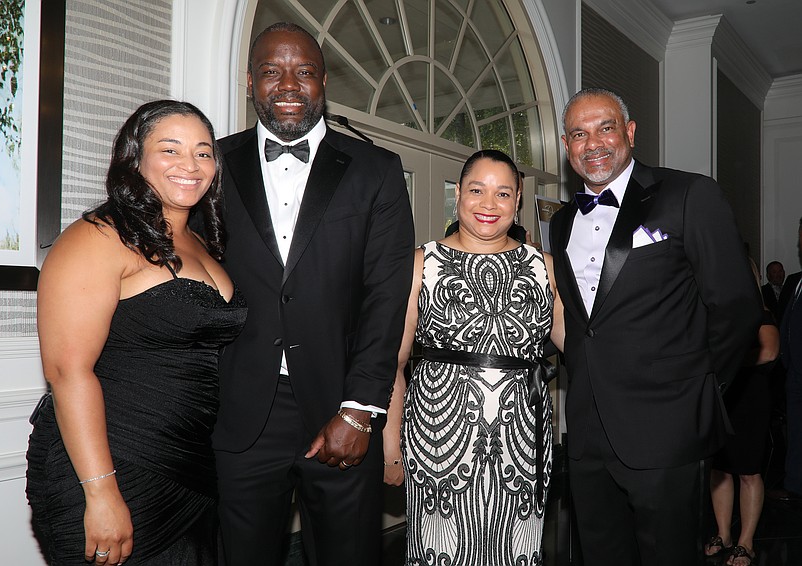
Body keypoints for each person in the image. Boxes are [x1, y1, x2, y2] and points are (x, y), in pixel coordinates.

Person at [211, 22, 414, 566]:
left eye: (303, 71)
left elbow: (386, 298)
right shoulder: (210, 168)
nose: (288, 84)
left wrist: (359, 410)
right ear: (250, 81)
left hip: (340, 405)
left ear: (323, 81)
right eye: (271, 71)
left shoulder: (377, 170)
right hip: (241, 411)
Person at [26, 100, 247, 565]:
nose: (190, 165)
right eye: (171, 149)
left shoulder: (202, 241)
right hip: (112, 461)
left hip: (189, 463)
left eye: (204, 152)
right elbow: (68, 371)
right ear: (135, 159)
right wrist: (101, 492)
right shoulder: (99, 236)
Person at [548, 88, 762, 566]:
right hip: (586, 430)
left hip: (667, 427)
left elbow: (736, 306)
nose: (593, 143)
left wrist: (699, 389)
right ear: (566, 146)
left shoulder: (689, 193)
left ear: (630, 132)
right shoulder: (561, 223)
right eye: (579, 134)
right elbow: (584, 323)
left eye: (605, 127)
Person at [383, 149, 564, 564]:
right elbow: (393, 361)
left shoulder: (545, 267)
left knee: (514, 552)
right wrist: (391, 445)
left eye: (503, 193)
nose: (489, 204)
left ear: (517, 201)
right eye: (477, 190)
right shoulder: (420, 264)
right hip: (438, 442)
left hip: (522, 445)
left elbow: (586, 348)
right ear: (458, 194)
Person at [705, 261, 779, 566]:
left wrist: (726, 361)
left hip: (751, 398)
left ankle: (746, 542)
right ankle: (723, 534)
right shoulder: (718, 314)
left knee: (748, 471)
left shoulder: (760, 312)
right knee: (720, 468)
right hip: (723, 398)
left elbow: (770, 351)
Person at [776, 217, 802, 502]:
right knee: (795, 432)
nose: (799, 243)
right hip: (793, 373)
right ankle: (794, 486)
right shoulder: (795, 282)